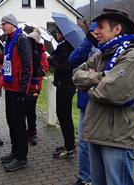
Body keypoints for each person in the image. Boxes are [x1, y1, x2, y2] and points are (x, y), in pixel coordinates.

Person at [72, 8, 134, 185]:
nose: (95, 32)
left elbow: (112, 93)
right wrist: (100, 77)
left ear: (117, 29)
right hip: (96, 133)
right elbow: (76, 74)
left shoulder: (133, 57)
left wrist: (88, 88)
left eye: (100, 27)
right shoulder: (102, 55)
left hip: (117, 139)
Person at [0, 14, 32, 172]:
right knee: (11, 122)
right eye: (1, 24)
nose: (2, 26)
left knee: (19, 125)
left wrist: (23, 91)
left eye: (4, 23)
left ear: (12, 24)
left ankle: (22, 158)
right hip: (9, 88)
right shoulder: (7, 40)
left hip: (19, 90)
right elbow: (7, 62)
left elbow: (27, 66)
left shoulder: (22, 40)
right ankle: (15, 151)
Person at [69, 22, 100, 185]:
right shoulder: (86, 45)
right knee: (82, 143)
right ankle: (84, 177)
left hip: (100, 104)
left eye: (99, 30)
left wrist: (90, 76)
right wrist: (88, 41)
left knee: (97, 146)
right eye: (94, 31)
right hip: (84, 103)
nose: (97, 33)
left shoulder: (108, 49)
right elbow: (73, 61)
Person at [48, 25, 76, 158]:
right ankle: (68, 143)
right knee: (62, 115)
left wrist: (52, 60)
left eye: (58, 33)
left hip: (67, 85)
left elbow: (65, 67)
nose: (56, 35)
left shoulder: (69, 48)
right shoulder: (62, 47)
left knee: (65, 116)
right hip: (62, 84)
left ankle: (70, 147)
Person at [26, 29, 49, 145]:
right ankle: (27, 132)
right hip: (24, 86)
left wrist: (37, 68)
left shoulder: (41, 53)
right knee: (24, 111)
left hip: (35, 87)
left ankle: (32, 133)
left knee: (31, 111)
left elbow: (44, 70)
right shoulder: (25, 51)